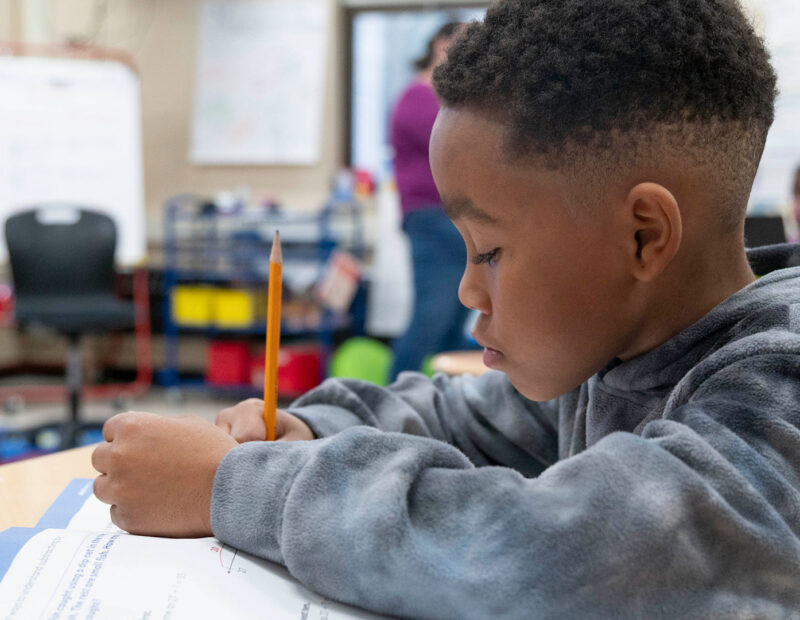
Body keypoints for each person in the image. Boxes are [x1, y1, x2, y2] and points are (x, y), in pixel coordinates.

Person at [92, 1, 800, 618]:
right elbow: (462, 417)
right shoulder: (621, 355)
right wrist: (308, 427)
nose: (467, 289)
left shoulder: (775, 394)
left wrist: (230, 485)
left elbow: (554, 556)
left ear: (643, 236)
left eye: (488, 251)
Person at [389, 22, 471, 378]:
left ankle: (445, 403)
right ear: (440, 43)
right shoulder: (419, 97)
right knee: (431, 318)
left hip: (448, 216)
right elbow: (458, 144)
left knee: (453, 321)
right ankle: (390, 401)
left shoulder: (444, 98)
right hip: (431, 217)